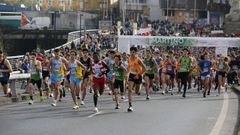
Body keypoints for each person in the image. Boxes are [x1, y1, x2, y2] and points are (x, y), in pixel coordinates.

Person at [127, 46, 146, 112]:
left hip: (138, 75)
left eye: (133, 52)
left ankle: (140, 85)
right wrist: (127, 74)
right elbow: (129, 67)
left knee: (136, 92)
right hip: (131, 75)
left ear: (136, 53)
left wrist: (138, 74)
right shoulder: (129, 59)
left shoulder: (138, 60)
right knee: (129, 90)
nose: (132, 53)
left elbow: (145, 68)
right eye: (131, 52)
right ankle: (130, 106)